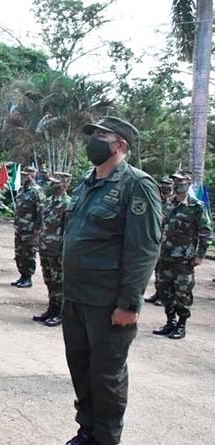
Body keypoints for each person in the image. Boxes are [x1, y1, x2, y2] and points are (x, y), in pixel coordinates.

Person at [62, 116, 162, 445]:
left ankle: (106, 438)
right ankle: (87, 431)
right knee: (81, 369)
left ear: (120, 145)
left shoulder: (137, 184)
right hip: (76, 297)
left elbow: (143, 248)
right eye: (93, 135)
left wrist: (129, 303)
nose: (93, 141)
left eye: (101, 136)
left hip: (107, 303)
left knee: (106, 376)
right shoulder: (86, 182)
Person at [151, 171, 212, 340]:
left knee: (182, 292)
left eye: (180, 181)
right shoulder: (168, 204)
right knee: (164, 290)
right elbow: (159, 227)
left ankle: (181, 325)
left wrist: (200, 255)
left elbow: (206, 233)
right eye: (174, 181)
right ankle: (170, 322)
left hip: (184, 259)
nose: (176, 184)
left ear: (188, 183)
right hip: (165, 256)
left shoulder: (196, 206)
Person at [33, 173, 71, 327]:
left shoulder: (68, 204)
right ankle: (51, 308)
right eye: (52, 183)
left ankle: (60, 313)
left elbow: (69, 230)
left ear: (65, 185)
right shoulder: (49, 201)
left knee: (59, 282)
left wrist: (64, 251)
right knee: (49, 280)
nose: (53, 185)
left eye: (57, 183)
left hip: (58, 250)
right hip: (45, 247)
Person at [11, 166, 44, 288]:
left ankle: (28, 278)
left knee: (28, 253)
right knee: (19, 253)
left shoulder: (37, 191)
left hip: (30, 229)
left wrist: (37, 229)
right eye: (25, 174)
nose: (27, 176)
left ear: (35, 175)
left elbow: (40, 211)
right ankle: (22, 275)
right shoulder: (21, 190)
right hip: (20, 227)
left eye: (30, 174)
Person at [145, 177, 175, 306]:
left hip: (171, 243)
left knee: (169, 273)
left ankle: (165, 297)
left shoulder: (174, 202)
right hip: (157, 240)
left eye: (167, 185)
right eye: (162, 184)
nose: (164, 187)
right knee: (158, 271)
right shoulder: (158, 199)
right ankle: (158, 293)